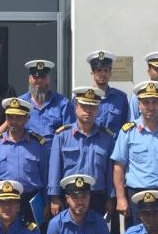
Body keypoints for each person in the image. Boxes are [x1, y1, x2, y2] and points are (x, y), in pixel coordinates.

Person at [111, 81, 158, 225]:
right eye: (146, 102)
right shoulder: (128, 132)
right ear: (139, 105)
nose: (151, 107)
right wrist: (121, 198)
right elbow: (118, 167)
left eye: (155, 102)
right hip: (137, 196)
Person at [48, 87, 115, 217]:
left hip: (98, 197)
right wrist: (55, 198)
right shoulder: (62, 136)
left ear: (97, 110)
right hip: (70, 196)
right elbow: (55, 169)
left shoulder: (107, 138)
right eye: (84, 106)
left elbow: (110, 172)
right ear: (76, 108)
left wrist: (111, 198)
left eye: (92, 107)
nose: (88, 110)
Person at [0, 97, 49, 222]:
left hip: (30, 203)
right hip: (2, 202)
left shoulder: (38, 145)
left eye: (18, 118)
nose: (13, 121)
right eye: (10, 117)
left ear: (27, 118)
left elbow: (45, 176)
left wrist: (46, 204)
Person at [18, 59, 74, 142]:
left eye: (43, 77)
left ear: (49, 79)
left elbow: (70, 134)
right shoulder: (21, 103)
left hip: (54, 149)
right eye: (36, 77)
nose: (39, 81)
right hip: (28, 149)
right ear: (29, 79)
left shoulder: (63, 104)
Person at [85, 50, 129, 134]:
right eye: (99, 70)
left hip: (113, 142)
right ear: (92, 73)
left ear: (110, 73)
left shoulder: (121, 98)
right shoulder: (82, 97)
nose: (103, 74)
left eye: (106, 70)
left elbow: (125, 127)